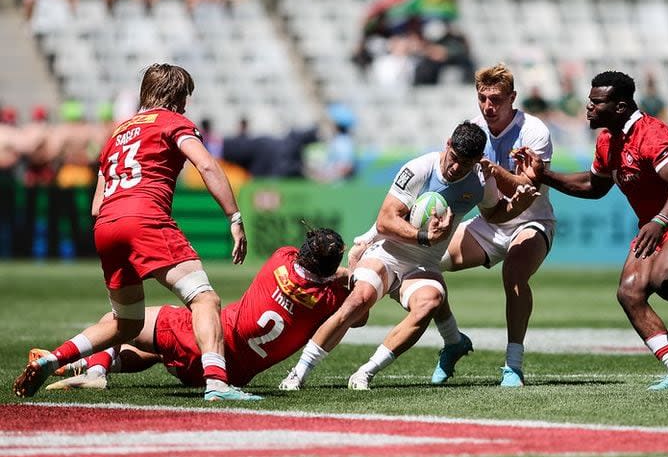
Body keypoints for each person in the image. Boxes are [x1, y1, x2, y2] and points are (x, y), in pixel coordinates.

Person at [13, 63, 258, 401]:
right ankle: (217, 383)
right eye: (184, 97)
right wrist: (234, 215)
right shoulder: (174, 122)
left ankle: (56, 359)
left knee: (126, 324)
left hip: (107, 225)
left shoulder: (118, 131)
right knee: (205, 298)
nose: (187, 105)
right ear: (176, 96)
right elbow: (205, 164)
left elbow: (97, 205)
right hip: (144, 217)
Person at [518, 70, 668, 390]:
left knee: (664, 279)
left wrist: (659, 222)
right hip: (657, 227)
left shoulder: (653, 135)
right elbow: (593, 186)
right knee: (629, 292)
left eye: (596, 102)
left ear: (620, 107)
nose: (588, 108)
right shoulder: (607, 141)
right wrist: (543, 174)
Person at [278, 121, 539, 391]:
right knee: (359, 301)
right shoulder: (419, 169)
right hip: (388, 252)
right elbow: (384, 221)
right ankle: (299, 372)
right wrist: (425, 237)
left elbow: (493, 214)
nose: (455, 168)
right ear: (447, 144)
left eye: (465, 163)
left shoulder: (480, 181)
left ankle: (365, 373)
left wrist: (517, 206)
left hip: (423, 264)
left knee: (430, 301)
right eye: (454, 159)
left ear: (477, 161)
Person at [36, 230, 350, 393]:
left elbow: (306, 270)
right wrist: (350, 274)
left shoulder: (280, 259)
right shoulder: (328, 301)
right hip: (233, 375)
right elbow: (353, 308)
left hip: (205, 342)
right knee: (155, 353)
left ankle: (95, 372)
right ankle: (89, 365)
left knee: (119, 321)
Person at [437, 63, 556, 388]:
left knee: (514, 273)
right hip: (489, 222)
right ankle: (452, 341)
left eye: (496, 99)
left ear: (513, 97)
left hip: (532, 220)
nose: (489, 106)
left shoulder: (534, 131)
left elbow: (527, 188)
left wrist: (492, 170)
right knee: (428, 264)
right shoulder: (473, 130)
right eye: (483, 98)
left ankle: (513, 365)